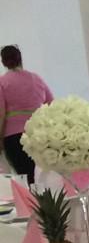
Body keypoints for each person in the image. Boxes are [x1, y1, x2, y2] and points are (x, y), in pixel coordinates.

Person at [0, 45, 53, 185]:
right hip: (38, 134)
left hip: (14, 138)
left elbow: (1, 112)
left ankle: (31, 205)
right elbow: (51, 104)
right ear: (20, 58)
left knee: (25, 177)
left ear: (3, 62)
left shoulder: (2, 82)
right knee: (40, 176)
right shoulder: (36, 79)